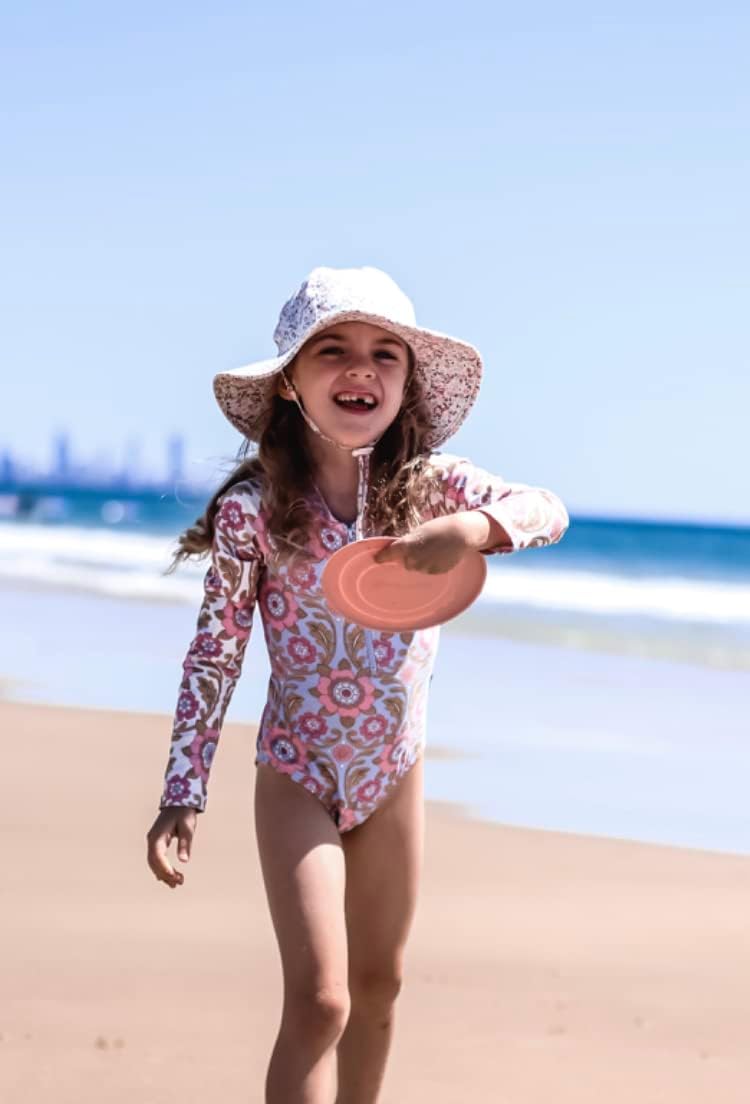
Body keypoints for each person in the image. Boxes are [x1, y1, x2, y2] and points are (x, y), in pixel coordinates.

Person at [145, 265, 570, 1103]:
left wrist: (471, 528)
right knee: (322, 1000)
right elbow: (216, 654)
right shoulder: (254, 511)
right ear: (289, 382)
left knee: (379, 990)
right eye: (332, 349)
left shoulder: (433, 489)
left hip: (393, 771)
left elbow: (546, 508)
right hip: (297, 771)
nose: (360, 368)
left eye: (385, 354)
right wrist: (182, 791)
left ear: (406, 384)